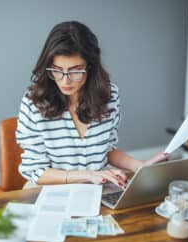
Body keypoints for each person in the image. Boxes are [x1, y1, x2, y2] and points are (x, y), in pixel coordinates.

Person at [16, 21, 169, 188]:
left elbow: (107, 150)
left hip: (96, 187)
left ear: (90, 67)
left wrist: (139, 166)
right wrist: (88, 175)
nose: (65, 80)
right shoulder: (33, 103)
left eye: (75, 71)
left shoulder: (109, 96)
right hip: (50, 190)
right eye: (57, 70)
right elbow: (35, 170)